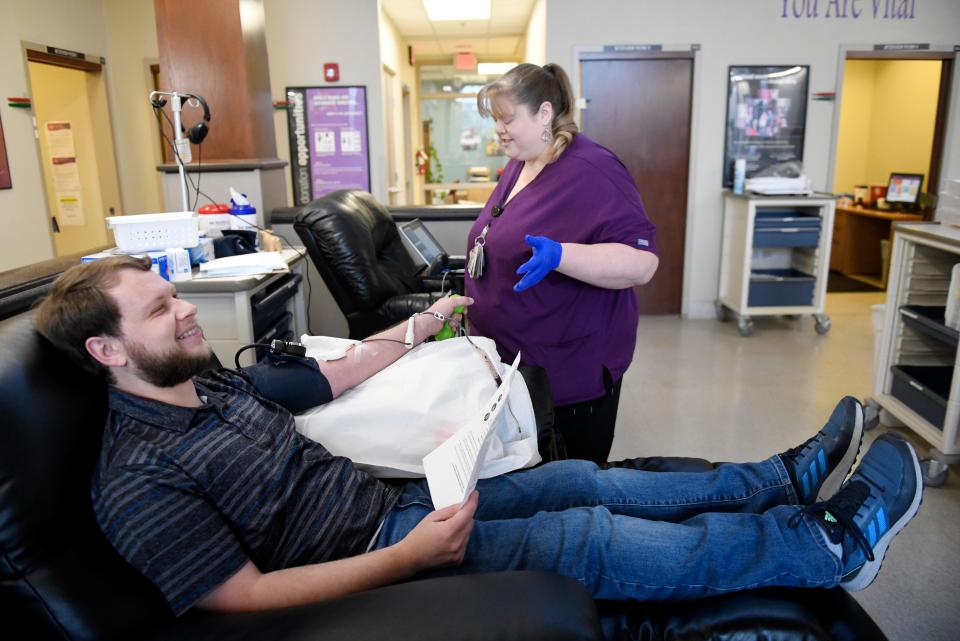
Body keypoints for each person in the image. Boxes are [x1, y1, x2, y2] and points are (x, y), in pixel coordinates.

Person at [34, 256, 923, 618]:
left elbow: (329, 377)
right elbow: (242, 598)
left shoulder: (209, 381)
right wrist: (408, 556)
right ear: (108, 350)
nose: (187, 307)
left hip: (398, 501)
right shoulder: (136, 475)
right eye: (162, 307)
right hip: (380, 556)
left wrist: (420, 334)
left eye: (177, 293)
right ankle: (828, 543)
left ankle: (780, 476)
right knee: (588, 533)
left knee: (587, 479)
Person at [465, 63, 659, 463]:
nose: (499, 130)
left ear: (545, 114)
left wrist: (562, 255)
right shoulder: (522, 160)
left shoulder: (594, 168)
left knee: (572, 492)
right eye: (495, 120)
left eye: (507, 119)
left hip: (567, 375)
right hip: (516, 368)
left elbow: (642, 263)